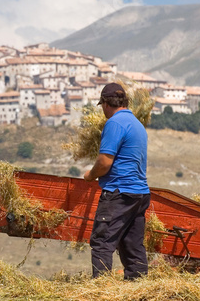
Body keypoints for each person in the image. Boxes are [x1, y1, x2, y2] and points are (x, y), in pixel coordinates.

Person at [83, 82, 151, 280]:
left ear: (105, 103)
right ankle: (137, 287)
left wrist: (90, 175)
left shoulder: (114, 123)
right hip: (139, 194)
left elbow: (104, 162)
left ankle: (103, 290)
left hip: (118, 193)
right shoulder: (137, 124)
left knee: (102, 241)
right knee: (132, 245)